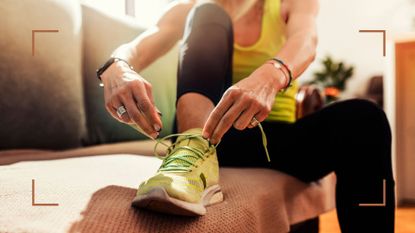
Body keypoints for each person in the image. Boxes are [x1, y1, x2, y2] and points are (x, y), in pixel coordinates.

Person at [97, 0, 395, 232]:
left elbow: (306, 39)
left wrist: (271, 75)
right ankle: (190, 159)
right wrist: (117, 66)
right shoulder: (196, 7)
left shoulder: (287, 4)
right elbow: (143, 42)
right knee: (208, 13)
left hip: (271, 142)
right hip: (209, 136)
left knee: (365, 119)